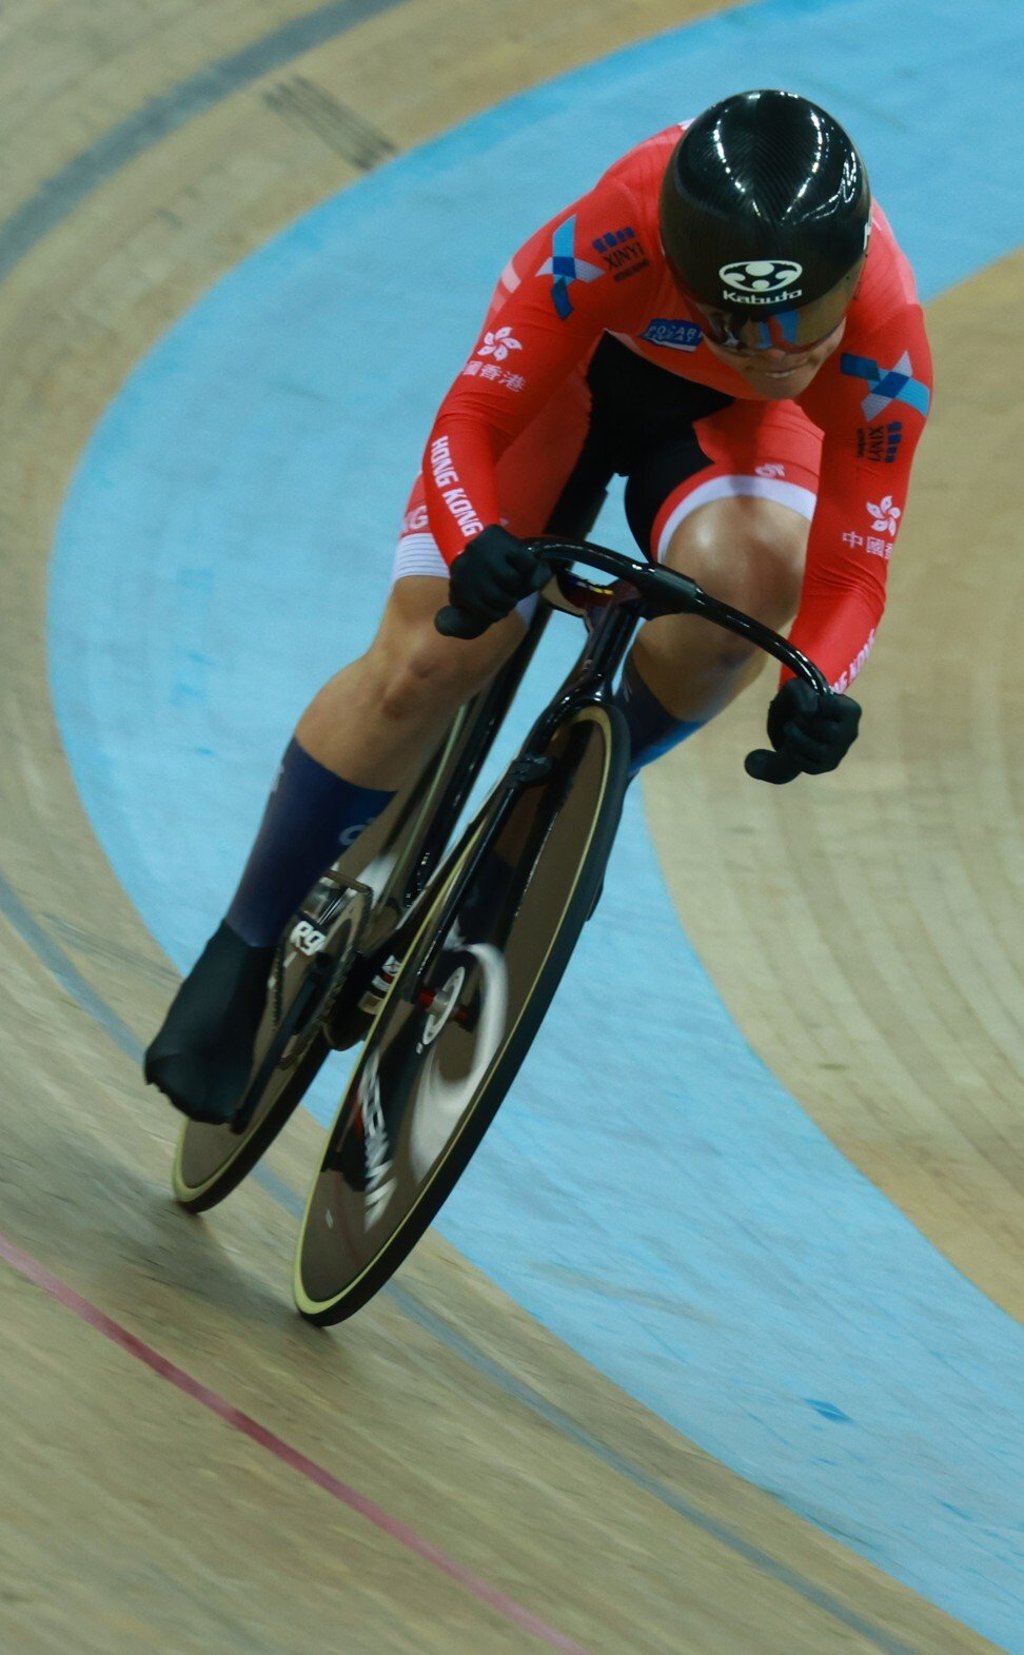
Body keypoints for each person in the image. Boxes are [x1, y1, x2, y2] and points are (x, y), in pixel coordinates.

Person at [145, 88, 932, 1124]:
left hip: (737, 430)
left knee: (748, 589)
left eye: (808, 328)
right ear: (682, 269)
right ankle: (243, 944)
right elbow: (472, 418)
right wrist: (473, 540)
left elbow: (850, 573)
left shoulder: (884, 339)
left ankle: (570, 798)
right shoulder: (616, 230)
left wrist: (817, 681)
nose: (781, 350)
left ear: (849, 281)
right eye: (744, 330)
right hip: (575, 373)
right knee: (433, 653)